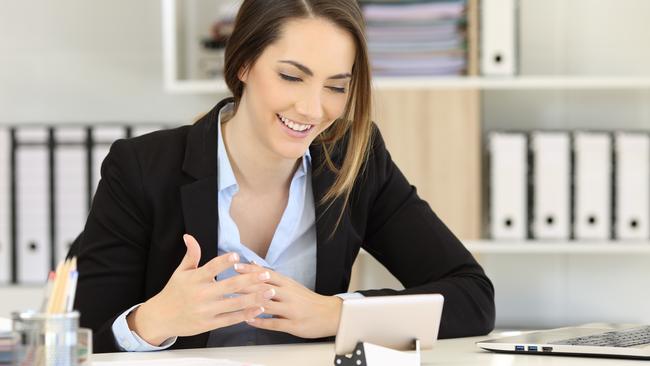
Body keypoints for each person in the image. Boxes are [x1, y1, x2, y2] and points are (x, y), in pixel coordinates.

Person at [74, 0, 495, 353]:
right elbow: (81, 336)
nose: (313, 110)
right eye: (291, 77)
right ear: (242, 64)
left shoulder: (352, 160)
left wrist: (334, 313)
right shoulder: (142, 166)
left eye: (336, 87)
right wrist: (155, 320)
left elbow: (473, 298)